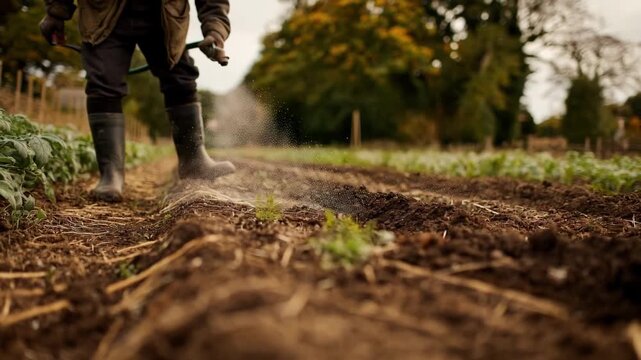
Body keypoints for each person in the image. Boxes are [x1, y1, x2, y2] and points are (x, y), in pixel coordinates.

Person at [39, 0, 236, 203]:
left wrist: (216, 29)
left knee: (181, 78)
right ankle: (111, 175)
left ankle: (194, 161)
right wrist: (56, 11)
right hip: (103, 12)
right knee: (104, 82)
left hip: (165, 13)